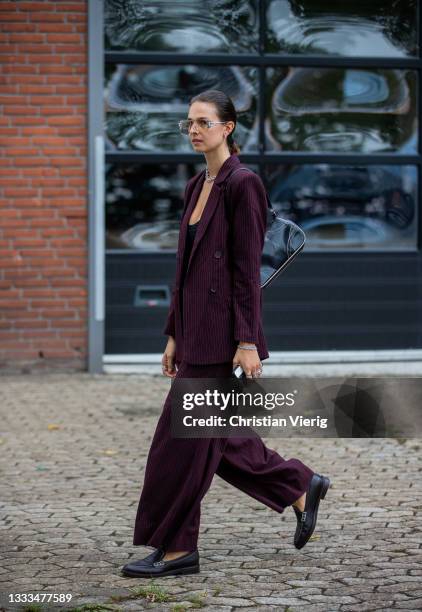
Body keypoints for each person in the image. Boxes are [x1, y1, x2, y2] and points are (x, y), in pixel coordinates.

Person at [122, 89, 330, 579]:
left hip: (221, 336)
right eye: (188, 123)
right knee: (212, 437)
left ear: (228, 127)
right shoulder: (198, 183)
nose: (193, 130)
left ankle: (177, 550)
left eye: (203, 122)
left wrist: (248, 340)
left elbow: (245, 271)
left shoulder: (244, 184)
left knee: (180, 445)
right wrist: (172, 332)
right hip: (192, 331)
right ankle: (300, 485)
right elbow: (185, 269)